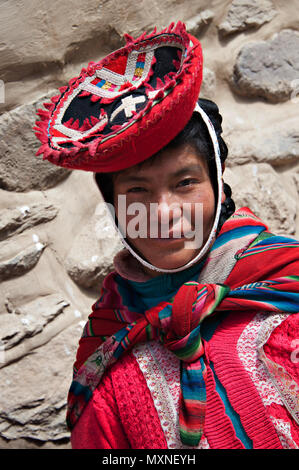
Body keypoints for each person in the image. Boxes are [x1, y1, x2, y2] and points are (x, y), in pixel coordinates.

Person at [34, 22, 299, 449]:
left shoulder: (288, 281)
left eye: (185, 183)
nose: (164, 214)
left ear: (217, 182)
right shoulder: (108, 347)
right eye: (137, 190)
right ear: (115, 206)